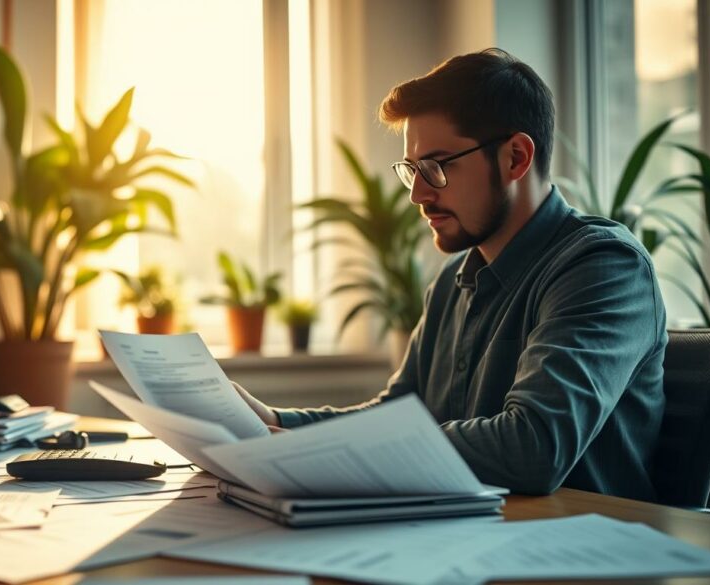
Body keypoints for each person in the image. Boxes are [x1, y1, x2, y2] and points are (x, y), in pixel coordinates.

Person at [235, 48, 667, 501]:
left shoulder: (603, 268)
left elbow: (534, 448)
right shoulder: (452, 280)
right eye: (412, 170)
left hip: (579, 554)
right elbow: (398, 416)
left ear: (516, 158)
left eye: (436, 167)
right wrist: (273, 422)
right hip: (468, 539)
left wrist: (324, 450)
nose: (418, 194)